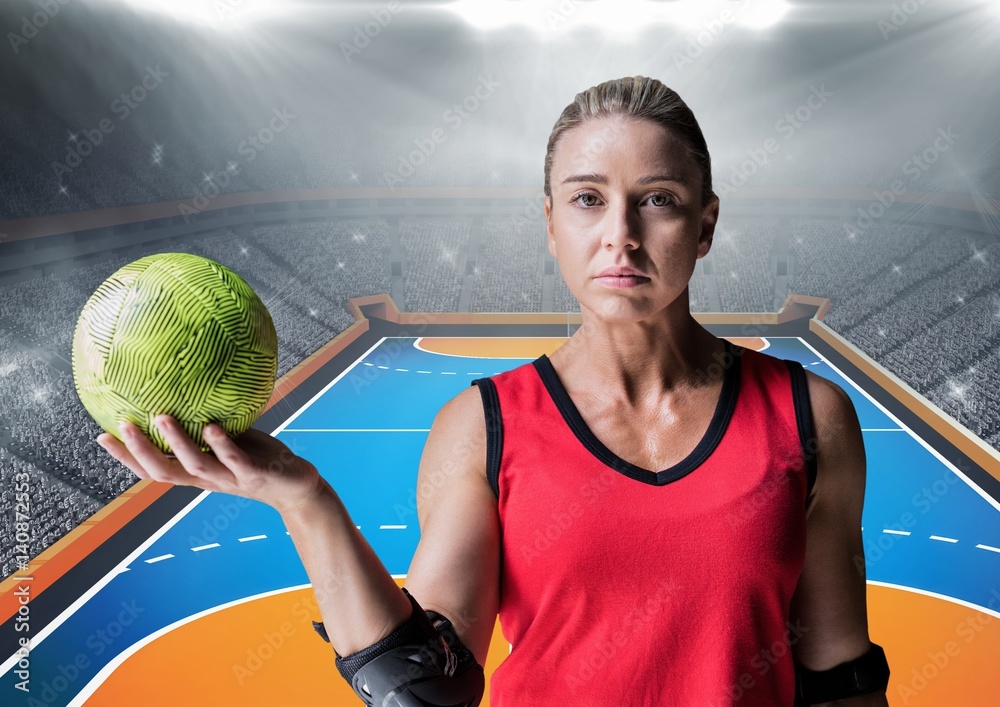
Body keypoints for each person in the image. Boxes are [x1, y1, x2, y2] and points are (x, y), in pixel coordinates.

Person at [96, 75, 889, 706]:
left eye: (657, 199)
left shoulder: (809, 418)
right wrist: (304, 498)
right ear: (552, 225)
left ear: (706, 223)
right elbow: (425, 685)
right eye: (587, 199)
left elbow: (837, 680)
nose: (621, 233)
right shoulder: (484, 426)